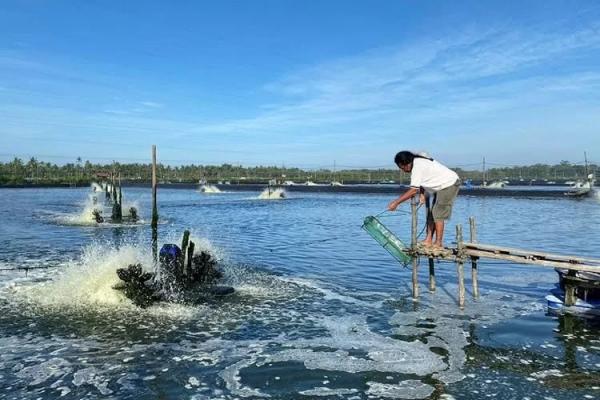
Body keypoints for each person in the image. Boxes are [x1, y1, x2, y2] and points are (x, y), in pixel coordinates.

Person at [387, 151, 460, 248]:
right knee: (431, 213)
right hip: (440, 186)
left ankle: (438, 243)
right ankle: (428, 239)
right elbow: (422, 179)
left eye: (402, 167)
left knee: (438, 213)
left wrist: (396, 203)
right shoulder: (417, 163)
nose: (403, 170)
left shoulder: (417, 166)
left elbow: (413, 190)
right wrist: (422, 194)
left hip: (449, 183)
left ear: (407, 163)